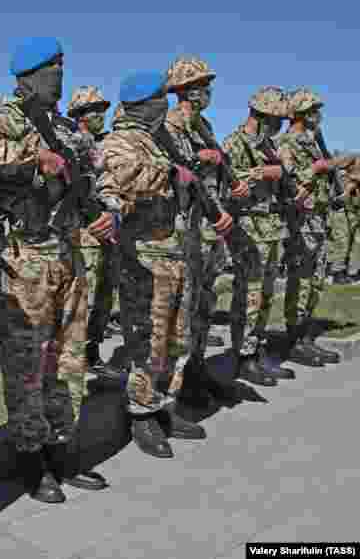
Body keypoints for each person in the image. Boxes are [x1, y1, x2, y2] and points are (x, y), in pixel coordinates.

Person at [0, 37, 114, 502]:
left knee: (70, 362)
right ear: (29, 73)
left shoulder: (72, 131)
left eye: (62, 65)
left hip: (70, 256)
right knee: (28, 366)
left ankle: (61, 448)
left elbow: (96, 180)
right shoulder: (3, 119)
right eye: (51, 67)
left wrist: (107, 210)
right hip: (23, 257)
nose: (59, 75)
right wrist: (33, 160)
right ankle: (31, 458)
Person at [96, 71, 233, 459]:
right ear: (148, 103)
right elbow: (117, 183)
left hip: (177, 251)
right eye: (160, 99)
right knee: (148, 340)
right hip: (146, 258)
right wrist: (172, 173)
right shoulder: (121, 140)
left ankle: (165, 407)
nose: (166, 106)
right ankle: (141, 414)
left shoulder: (160, 139)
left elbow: (192, 180)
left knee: (178, 336)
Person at [163, 55, 245, 407]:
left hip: (211, 231)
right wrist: (203, 160)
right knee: (180, 310)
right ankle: (173, 388)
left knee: (204, 305)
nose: (208, 92)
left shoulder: (204, 126)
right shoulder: (168, 126)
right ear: (186, 91)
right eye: (202, 86)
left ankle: (196, 370)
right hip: (185, 231)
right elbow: (170, 173)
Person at [221, 86, 295, 384]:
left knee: (265, 295)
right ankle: (242, 356)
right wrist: (263, 173)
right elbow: (227, 184)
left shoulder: (268, 145)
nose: (279, 126)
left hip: (271, 227)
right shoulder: (234, 142)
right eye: (275, 119)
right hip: (249, 229)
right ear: (259, 115)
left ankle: (256, 349)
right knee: (247, 296)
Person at [275, 88, 341, 365]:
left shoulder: (313, 141)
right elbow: (286, 183)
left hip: (318, 218)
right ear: (303, 113)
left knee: (314, 280)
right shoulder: (287, 142)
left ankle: (305, 337)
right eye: (315, 110)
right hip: (301, 221)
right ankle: (294, 339)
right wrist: (315, 170)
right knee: (300, 280)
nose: (319, 116)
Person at [67, 86, 123, 385]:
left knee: (104, 296)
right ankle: (75, 357)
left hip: (108, 230)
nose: (101, 115)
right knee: (84, 298)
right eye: (94, 110)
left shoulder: (104, 143)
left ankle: (92, 353)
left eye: (103, 110)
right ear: (79, 116)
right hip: (85, 230)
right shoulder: (74, 142)